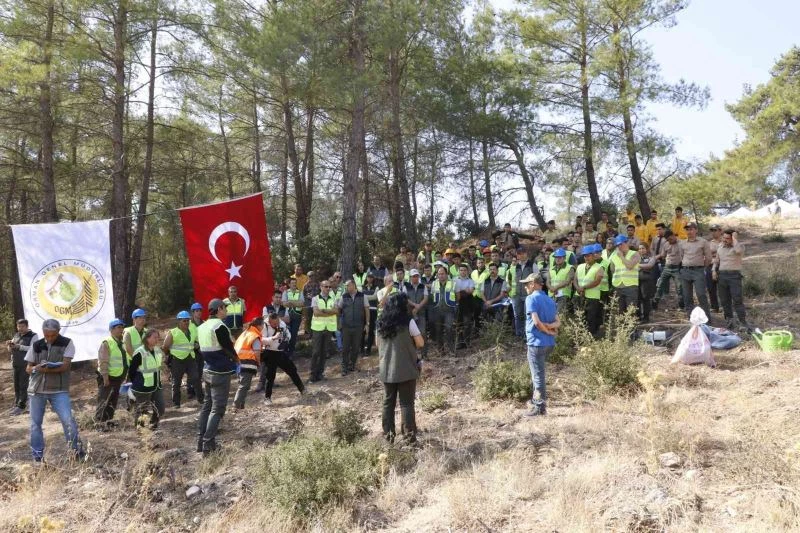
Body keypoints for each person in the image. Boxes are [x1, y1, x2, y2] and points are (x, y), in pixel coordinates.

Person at [26, 319, 84, 462]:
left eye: (53, 335)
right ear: (43, 332)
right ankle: (37, 456)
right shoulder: (36, 345)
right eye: (47, 335)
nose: (50, 338)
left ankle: (75, 452)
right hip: (37, 390)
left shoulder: (67, 343)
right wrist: (35, 368)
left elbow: (65, 366)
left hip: (59, 390)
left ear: (58, 331)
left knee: (68, 421)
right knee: (35, 424)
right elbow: (28, 368)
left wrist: (46, 369)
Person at [377, 292, 423, 443]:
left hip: (386, 369)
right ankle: (409, 437)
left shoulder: (381, 322)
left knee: (388, 403)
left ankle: (388, 436)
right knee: (407, 403)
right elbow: (420, 343)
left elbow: (378, 345)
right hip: (406, 368)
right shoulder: (408, 322)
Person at [197, 298, 238, 456]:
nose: (226, 311)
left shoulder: (202, 327)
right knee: (217, 409)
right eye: (225, 308)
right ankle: (208, 445)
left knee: (207, 406)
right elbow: (228, 347)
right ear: (219, 309)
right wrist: (238, 361)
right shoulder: (219, 326)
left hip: (207, 370)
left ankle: (201, 441)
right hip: (220, 373)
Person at [523, 274, 559, 417]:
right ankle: (536, 402)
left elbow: (536, 322)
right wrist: (551, 329)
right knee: (539, 373)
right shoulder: (550, 299)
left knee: (537, 375)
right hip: (549, 344)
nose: (525, 287)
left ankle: (539, 407)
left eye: (526, 284)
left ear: (533, 283)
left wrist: (547, 331)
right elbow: (558, 322)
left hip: (536, 343)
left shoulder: (531, 298)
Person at [261, 313, 304, 404]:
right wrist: (273, 338)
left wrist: (286, 340)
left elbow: (288, 333)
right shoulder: (264, 325)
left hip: (280, 352)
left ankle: (303, 389)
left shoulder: (281, 323)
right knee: (270, 376)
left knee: (292, 370)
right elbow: (262, 340)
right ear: (269, 321)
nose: (277, 325)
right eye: (274, 324)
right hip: (270, 352)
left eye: (277, 322)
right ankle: (267, 398)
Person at [162, 311, 201, 408]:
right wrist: (169, 355)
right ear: (179, 322)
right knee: (176, 382)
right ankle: (176, 403)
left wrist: (197, 345)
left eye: (188, 320)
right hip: (177, 360)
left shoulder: (192, 331)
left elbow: (196, 341)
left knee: (196, 378)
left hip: (190, 358)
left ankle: (201, 399)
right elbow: (165, 346)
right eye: (184, 321)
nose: (187, 323)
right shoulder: (173, 332)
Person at [129, 329, 165, 430]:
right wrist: (136, 383)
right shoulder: (140, 352)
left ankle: (153, 425)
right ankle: (140, 430)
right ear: (147, 338)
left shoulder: (157, 350)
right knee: (142, 410)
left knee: (160, 408)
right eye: (154, 337)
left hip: (156, 385)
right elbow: (131, 370)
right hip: (143, 387)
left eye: (158, 337)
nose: (157, 339)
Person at [713, 229, 749, 330]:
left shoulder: (739, 246)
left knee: (737, 300)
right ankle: (729, 321)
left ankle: (743, 322)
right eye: (723, 237)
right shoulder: (720, 246)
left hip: (734, 276)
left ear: (732, 238)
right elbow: (716, 261)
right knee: (724, 300)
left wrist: (734, 238)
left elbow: (738, 251)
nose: (725, 240)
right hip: (722, 276)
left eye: (727, 238)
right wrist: (713, 271)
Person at [95, 318, 128, 424]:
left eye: (122, 327)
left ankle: (108, 421)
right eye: (118, 327)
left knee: (113, 400)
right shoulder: (107, 343)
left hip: (118, 377)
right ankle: (99, 423)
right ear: (111, 329)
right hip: (108, 377)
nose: (121, 329)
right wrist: (105, 378)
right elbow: (103, 361)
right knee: (103, 400)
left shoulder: (122, 343)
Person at [679, 222, 712, 319]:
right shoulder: (682, 243)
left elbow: (709, 258)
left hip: (698, 271)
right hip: (685, 271)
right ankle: (691, 318)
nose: (689, 231)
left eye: (691, 229)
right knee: (687, 296)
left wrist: (702, 267)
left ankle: (706, 318)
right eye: (687, 229)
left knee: (701, 294)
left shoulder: (703, 242)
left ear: (696, 230)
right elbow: (681, 256)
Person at [7, 319, 37, 415]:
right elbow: (11, 349)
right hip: (16, 364)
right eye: (18, 326)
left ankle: (22, 406)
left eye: (22, 326)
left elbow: (34, 349)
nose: (20, 328)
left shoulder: (33, 335)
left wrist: (20, 347)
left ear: (27, 326)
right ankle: (17, 404)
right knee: (17, 385)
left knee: (24, 385)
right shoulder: (16, 335)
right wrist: (10, 346)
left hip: (26, 364)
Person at [338, 279, 369, 375]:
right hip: (346, 326)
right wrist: (339, 322)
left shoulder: (362, 296)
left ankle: (352, 365)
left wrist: (367, 324)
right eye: (346, 286)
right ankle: (344, 367)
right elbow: (339, 309)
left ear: (354, 285)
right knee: (345, 348)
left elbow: (367, 310)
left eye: (348, 285)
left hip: (359, 326)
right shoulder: (344, 297)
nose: (347, 288)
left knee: (356, 347)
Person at [309, 280, 337, 383]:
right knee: (316, 352)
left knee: (324, 352)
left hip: (328, 328)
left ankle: (320, 373)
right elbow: (316, 313)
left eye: (329, 287)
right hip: (318, 328)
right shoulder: (315, 299)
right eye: (326, 287)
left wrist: (324, 311)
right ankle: (312, 375)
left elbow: (337, 311)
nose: (328, 288)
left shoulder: (333, 298)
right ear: (321, 287)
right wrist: (329, 312)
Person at [232, 317, 262, 409]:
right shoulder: (254, 335)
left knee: (243, 384)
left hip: (239, 362)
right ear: (259, 326)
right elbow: (257, 352)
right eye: (263, 325)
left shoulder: (245, 333)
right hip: (247, 362)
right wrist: (259, 362)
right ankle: (236, 404)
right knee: (244, 385)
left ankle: (241, 405)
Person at [574, 246, 604, 337]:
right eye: (585, 256)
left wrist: (584, 287)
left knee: (591, 318)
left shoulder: (599, 267)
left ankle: (591, 336)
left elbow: (597, 281)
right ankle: (580, 336)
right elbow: (574, 279)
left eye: (588, 256)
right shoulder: (580, 266)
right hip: (579, 295)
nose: (586, 258)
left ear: (593, 256)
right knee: (579, 317)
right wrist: (578, 288)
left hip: (592, 297)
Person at [608, 235, 640, 315]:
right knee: (619, 312)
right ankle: (621, 327)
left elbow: (629, 266)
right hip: (617, 286)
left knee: (631, 311)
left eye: (621, 244)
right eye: (618, 245)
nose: (619, 247)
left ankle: (631, 327)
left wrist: (621, 257)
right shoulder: (614, 256)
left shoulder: (635, 254)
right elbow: (612, 270)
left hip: (630, 286)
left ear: (627, 243)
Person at [653, 229, 684, 310]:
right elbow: (663, 255)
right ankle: (655, 303)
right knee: (660, 285)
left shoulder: (681, 243)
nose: (669, 241)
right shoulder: (666, 244)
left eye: (670, 239)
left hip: (677, 268)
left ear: (674, 235)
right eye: (667, 240)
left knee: (679, 287)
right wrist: (654, 258)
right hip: (667, 267)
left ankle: (681, 304)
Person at [430, 265, 457, 353]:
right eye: (439, 274)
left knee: (449, 329)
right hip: (437, 310)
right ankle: (441, 350)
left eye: (442, 274)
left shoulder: (452, 283)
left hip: (449, 310)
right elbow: (432, 296)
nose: (441, 275)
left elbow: (458, 296)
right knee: (438, 330)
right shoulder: (434, 283)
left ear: (446, 274)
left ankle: (451, 350)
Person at [186, 302, 205, 402]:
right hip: (192, 349)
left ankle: (198, 389)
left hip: (202, 349)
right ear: (193, 312)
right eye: (196, 311)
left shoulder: (204, 323)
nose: (199, 313)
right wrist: (195, 345)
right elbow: (186, 337)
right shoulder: (189, 324)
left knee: (200, 370)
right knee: (192, 371)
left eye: (200, 310)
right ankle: (190, 391)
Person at [454, 264, 475, 348]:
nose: (463, 272)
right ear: (458, 271)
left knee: (467, 323)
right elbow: (454, 292)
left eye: (464, 270)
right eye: (461, 270)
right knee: (458, 324)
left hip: (467, 303)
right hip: (457, 303)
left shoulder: (470, 281)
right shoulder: (454, 280)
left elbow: (470, 292)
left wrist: (460, 291)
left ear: (467, 271)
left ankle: (467, 341)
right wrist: (464, 291)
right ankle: (459, 342)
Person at [282, 278, 304, 357]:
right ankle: (285, 350)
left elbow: (301, 303)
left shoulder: (300, 292)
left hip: (297, 316)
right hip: (287, 316)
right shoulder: (285, 292)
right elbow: (284, 304)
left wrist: (290, 302)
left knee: (294, 334)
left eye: (295, 283)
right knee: (286, 334)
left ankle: (291, 352)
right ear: (289, 284)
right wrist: (296, 303)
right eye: (292, 283)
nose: (294, 284)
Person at [637, 243, 659, 322]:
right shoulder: (636, 258)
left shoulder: (651, 258)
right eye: (639, 249)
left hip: (647, 282)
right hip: (636, 281)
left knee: (645, 299)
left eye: (643, 248)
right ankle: (638, 316)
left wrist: (638, 265)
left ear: (647, 249)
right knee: (637, 299)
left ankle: (646, 317)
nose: (641, 250)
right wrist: (641, 266)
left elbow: (649, 265)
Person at [548, 248, 574, 314]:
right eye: (556, 257)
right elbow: (548, 281)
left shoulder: (570, 268)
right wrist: (551, 288)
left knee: (560, 315)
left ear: (564, 258)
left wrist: (555, 287)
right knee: (551, 315)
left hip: (563, 295)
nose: (557, 259)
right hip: (552, 295)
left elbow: (567, 281)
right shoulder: (551, 269)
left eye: (560, 257)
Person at [706, 224, 723, 313]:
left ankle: (723, 305)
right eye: (712, 230)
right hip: (710, 265)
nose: (713, 232)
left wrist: (715, 253)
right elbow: (707, 255)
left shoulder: (725, 241)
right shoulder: (709, 243)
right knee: (710, 287)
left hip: (722, 266)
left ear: (720, 231)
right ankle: (714, 306)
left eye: (715, 230)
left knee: (722, 287)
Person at [362, 273, 379, 354]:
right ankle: (361, 348)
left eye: (372, 277)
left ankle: (368, 349)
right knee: (362, 329)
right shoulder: (362, 287)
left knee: (371, 330)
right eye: (369, 277)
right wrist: (370, 296)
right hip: (363, 310)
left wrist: (364, 296)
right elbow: (361, 296)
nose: (370, 278)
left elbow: (375, 297)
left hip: (373, 310)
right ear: (366, 278)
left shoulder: (376, 287)